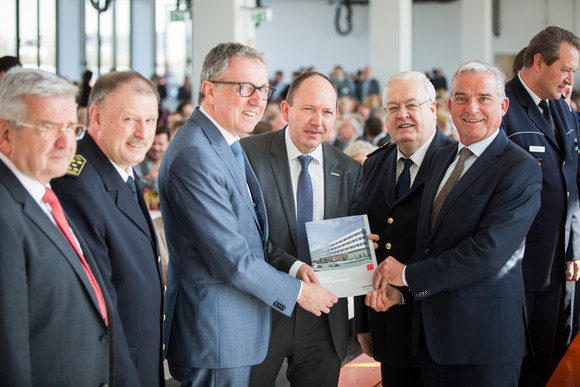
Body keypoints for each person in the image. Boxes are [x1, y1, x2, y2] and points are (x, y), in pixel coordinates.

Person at [158, 42, 338, 386]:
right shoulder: (196, 154)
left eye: (263, 89)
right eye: (245, 88)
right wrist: (299, 293)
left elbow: (252, 236)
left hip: (232, 331)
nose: (258, 100)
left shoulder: (225, 143)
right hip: (214, 334)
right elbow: (232, 258)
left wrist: (295, 268)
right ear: (209, 91)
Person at [367, 61, 542, 387]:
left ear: (503, 105)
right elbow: (430, 246)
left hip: (484, 345)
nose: (471, 108)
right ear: (449, 106)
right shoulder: (440, 159)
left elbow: (486, 255)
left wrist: (405, 275)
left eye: (483, 98)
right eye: (461, 98)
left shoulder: (521, 169)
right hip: (432, 344)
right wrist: (402, 293)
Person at [241, 71, 364, 387]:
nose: (317, 120)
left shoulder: (350, 171)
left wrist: (362, 244)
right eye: (308, 109)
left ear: (336, 116)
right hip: (261, 309)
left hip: (323, 319)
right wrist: (294, 269)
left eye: (326, 112)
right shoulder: (248, 155)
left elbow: (349, 244)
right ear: (286, 111)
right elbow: (244, 236)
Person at [51, 70, 164, 387]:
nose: (143, 133)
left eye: (150, 121)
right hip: (117, 368)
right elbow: (98, 304)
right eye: (130, 119)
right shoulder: (78, 184)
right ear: (96, 117)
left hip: (140, 354)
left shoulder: (123, 168)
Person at [0, 68, 112, 385]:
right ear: (6, 134)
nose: (66, 142)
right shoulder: (5, 214)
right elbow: (9, 351)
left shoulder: (44, 193)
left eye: (72, 128)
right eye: (49, 128)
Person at [355, 71, 456, 387]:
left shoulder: (457, 162)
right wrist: (363, 321)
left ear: (431, 108)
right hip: (388, 322)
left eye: (412, 105)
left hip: (440, 326)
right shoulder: (374, 164)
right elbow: (365, 243)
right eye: (393, 107)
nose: (403, 115)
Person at [500, 26, 580, 386]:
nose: (570, 79)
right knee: (516, 360)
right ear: (539, 62)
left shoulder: (562, 110)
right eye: (566, 70)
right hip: (518, 264)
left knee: (551, 355)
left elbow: (573, 185)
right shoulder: (502, 106)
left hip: (558, 263)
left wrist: (574, 246)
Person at [137, 125, 170, 206]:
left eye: (160, 144)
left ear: (168, 144)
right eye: (153, 143)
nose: (156, 148)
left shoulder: (172, 165)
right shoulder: (136, 162)